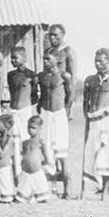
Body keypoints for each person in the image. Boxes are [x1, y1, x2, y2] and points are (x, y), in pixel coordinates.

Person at [82, 47, 109, 200]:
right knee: (91, 151)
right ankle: (93, 188)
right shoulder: (90, 80)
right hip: (93, 119)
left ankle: (107, 190)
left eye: (101, 61)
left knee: (108, 153)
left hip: (108, 119)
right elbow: (85, 101)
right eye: (96, 61)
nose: (98, 64)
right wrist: (87, 116)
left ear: (108, 61)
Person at [37, 50, 72, 197]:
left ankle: (67, 188)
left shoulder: (64, 76)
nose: (45, 62)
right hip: (46, 113)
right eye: (44, 59)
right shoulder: (41, 76)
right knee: (46, 149)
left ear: (56, 60)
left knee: (61, 151)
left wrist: (66, 112)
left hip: (59, 114)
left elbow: (70, 96)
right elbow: (40, 95)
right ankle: (50, 187)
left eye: (48, 59)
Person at [17, 115, 54, 203]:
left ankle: (38, 196)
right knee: (20, 198)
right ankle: (28, 196)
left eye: (33, 128)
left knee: (42, 197)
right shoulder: (25, 142)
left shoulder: (41, 142)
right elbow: (23, 155)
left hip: (37, 172)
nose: (30, 130)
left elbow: (47, 156)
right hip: (26, 173)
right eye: (29, 127)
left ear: (40, 129)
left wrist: (47, 165)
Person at [5, 47, 38, 141]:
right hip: (13, 109)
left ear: (24, 58)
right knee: (13, 138)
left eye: (15, 58)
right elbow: (12, 92)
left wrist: (29, 108)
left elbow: (34, 95)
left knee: (25, 136)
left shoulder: (31, 75)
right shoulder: (10, 75)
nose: (12, 60)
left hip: (25, 110)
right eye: (11, 58)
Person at [0, 113, 17, 204]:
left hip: (4, 167)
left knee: (6, 187)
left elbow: (2, 154)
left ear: (5, 127)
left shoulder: (10, 139)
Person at [46, 23, 78, 94]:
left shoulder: (68, 51)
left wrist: (68, 102)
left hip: (61, 93)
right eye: (50, 35)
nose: (52, 37)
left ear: (63, 35)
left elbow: (73, 79)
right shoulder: (48, 52)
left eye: (55, 35)